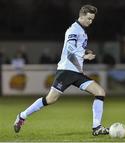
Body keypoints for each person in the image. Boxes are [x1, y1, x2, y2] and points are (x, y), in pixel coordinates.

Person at [14, 4, 109, 136]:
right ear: (81, 16)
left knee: (100, 92)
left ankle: (96, 127)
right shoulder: (73, 30)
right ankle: (22, 116)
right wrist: (84, 55)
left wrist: (85, 51)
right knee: (50, 99)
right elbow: (70, 51)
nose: (90, 21)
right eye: (88, 18)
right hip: (66, 71)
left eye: (92, 19)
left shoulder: (82, 30)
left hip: (77, 72)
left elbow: (76, 48)